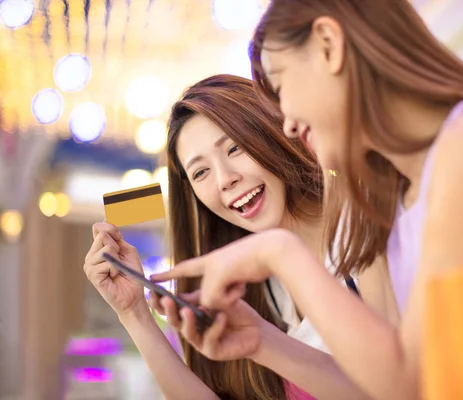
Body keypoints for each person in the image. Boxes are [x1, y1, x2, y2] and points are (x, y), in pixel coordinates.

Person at [151, 2, 463, 400]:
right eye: (201, 172)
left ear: (329, 44)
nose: (286, 124)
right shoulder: (396, 195)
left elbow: (417, 384)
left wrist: (280, 253)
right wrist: (265, 342)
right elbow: (385, 390)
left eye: (283, 87)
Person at [84, 74, 390, 400]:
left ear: (271, 131)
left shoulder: (366, 225)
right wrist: (133, 313)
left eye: (234, 148)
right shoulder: (252, 286)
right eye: (201, 172)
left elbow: (397, 388)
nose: (225, 180)